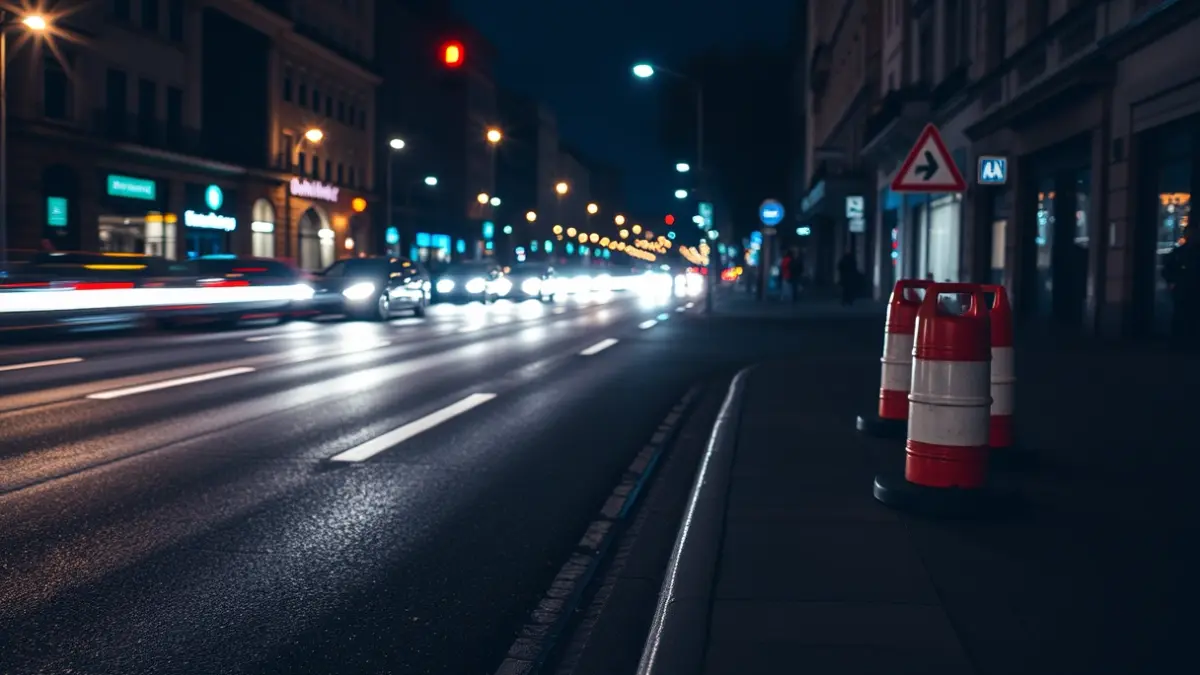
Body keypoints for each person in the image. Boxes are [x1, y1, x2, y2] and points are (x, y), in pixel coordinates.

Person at [1162, 234, 1200, 347]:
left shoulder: (1181, 252)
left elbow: (1167, 268)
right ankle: (1181, 341)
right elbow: (1167, 268)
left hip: (1186, 288)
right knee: (1182, 315)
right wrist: (1172, 282)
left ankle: (1182, 341)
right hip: (1184, 289)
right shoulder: (1180, 252)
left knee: (1184, 315)